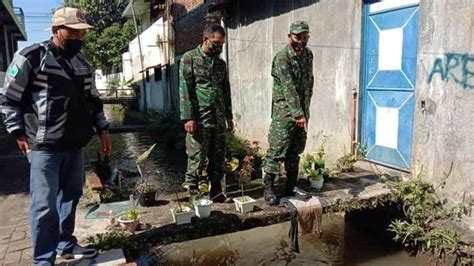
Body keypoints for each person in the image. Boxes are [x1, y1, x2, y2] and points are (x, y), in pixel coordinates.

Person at [0, 7, 112, 265]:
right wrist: (17, 131)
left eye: (82, 34)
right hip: (43, 147)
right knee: (44, 205)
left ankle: (66, 243)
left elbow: (93, 100)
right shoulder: (31, 56)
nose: (79, 38)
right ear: (56, 31)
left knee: (71, 196)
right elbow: (8, 98)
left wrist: (103, 129)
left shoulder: (83, 63)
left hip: (75, 144)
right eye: (73, 32)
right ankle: (43, 259)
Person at [179, 23, 234, 202]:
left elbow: (226, 91)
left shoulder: (220, 64)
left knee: (218, 156)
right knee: (197, 157)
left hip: (218, 119)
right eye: (216, 43)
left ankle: (216, 193)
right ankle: (194, 193)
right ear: (205, 39)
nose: (219, 47)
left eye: (222, 44)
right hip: (200, 119)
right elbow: (185, 89)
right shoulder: (190, 59)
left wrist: (229, 116)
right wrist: (188, 117)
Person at [263, 21, 314, 205]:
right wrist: (297, 114)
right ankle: (268, 188)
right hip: (285, 111)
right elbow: (288, 87)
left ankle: (291, 186)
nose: (301, 41)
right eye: (297, 37)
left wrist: (305, 111)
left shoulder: (308, 55)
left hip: (302, 110)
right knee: (277, 149)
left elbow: (309, 82)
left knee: (296, 149)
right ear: (289, 37)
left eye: (305, 37)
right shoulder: (282, 58)